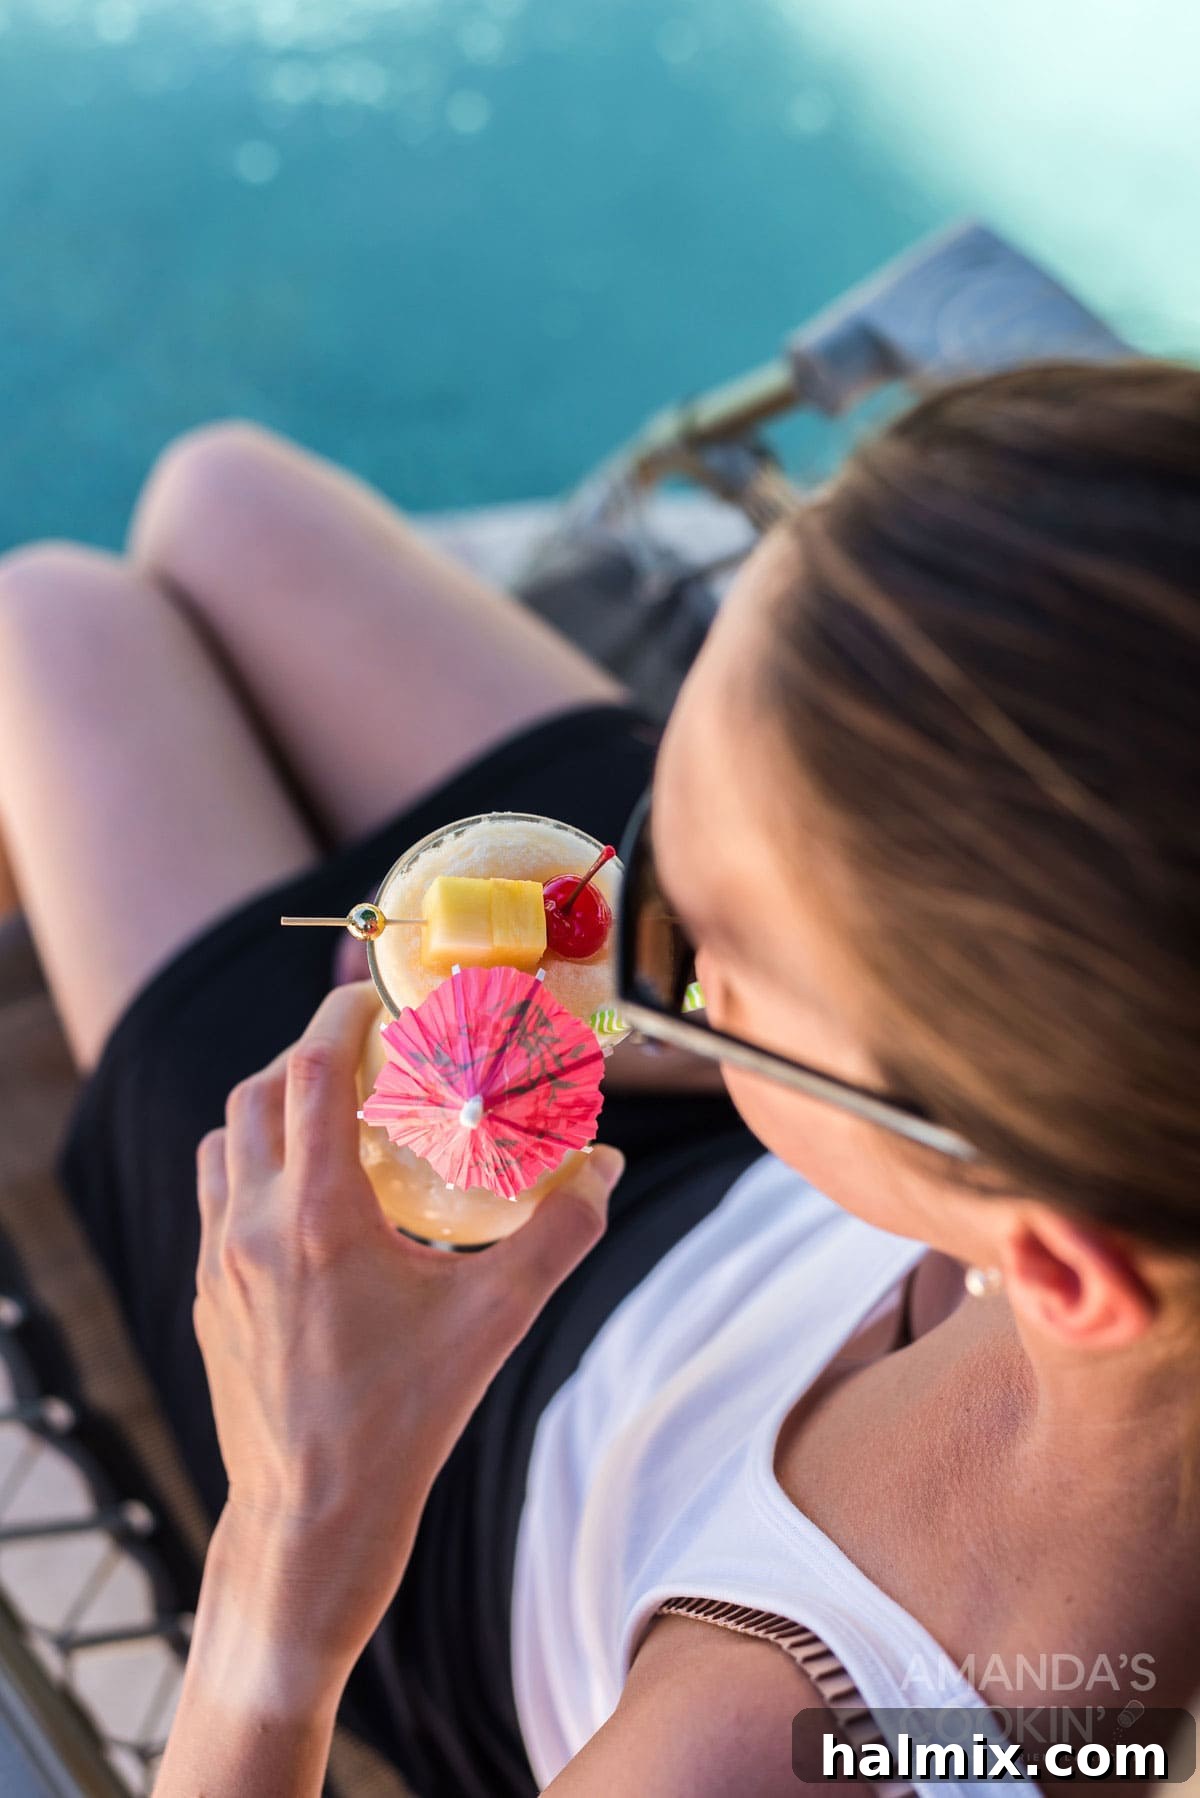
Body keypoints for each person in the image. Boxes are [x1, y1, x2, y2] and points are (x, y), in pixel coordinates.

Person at [0, 359, 1196, 1796]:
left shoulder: (767, 1750)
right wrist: (677, 1022)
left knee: (47, 623)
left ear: (1061, 1265)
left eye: (701, 936)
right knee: (227, 497)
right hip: (765, 1152)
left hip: (450, 1502)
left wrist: (288, 1555)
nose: (631, 940)